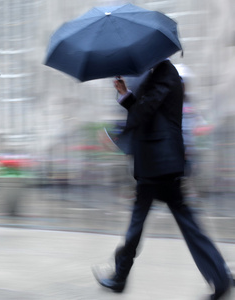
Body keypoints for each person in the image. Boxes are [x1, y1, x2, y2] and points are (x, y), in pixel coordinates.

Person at [92, 59, 232, 300]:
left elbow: (145, 113)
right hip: (157, 162)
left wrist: (124, 104)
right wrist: (125, 94)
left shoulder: (166, 73)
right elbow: (146, 111)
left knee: (139, 224)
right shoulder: (156, 73)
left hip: (158, 163)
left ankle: (120, 276)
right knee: (185, 222)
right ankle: (219, 276)